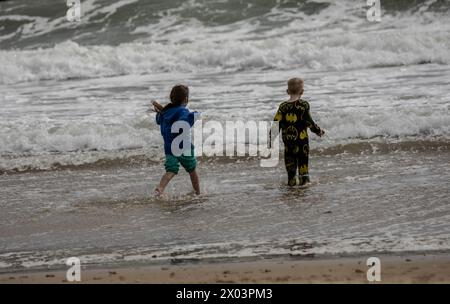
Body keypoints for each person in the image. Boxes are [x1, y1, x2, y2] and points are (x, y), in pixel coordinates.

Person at [274, 78, 324, 186]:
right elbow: (309, 122)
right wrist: (318, 131)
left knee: (291, 171)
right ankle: (304, 188)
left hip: (289, 144)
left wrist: (270, 139)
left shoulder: (282, 106)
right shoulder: (303, 105)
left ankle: (291, 190)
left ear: (287, 92)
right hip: (302, 144)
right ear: (302, 92)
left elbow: (276, 124)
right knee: (303, 169)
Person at [152, 84, 200, 195]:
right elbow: (184, 122)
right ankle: (198, 193)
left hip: (169, 148)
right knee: (192, 170)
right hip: (184, 146)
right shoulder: (182, 111)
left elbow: (159, 120)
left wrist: (160, 112)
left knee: (171, 170)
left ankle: (160, 188)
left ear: (171, 98)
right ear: (186, 99)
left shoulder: (165, 113)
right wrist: (195, 115)